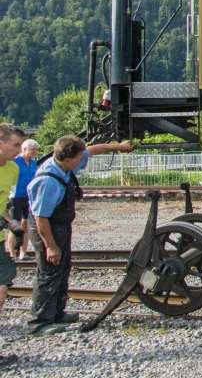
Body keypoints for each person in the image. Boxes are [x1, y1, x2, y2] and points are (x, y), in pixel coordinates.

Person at [27, 135, 134, 335]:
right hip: (47, 228)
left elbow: (94, 149)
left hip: (60, 225)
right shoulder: (48, 180)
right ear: (67, 159)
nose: (82, 161)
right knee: (48, 273)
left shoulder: (65, 165)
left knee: (63, 267)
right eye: (79, 158)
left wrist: (119, 146)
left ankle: (57, 313)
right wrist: (50, 245)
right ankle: (40, 322)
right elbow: (41, 218)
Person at [0, 124, 25, 366]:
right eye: (15, 145)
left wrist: (12, 224)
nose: (19, 150)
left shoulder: (13, 169)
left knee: (1, 292)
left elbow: (6, 203)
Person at [11, 139, 38, 260]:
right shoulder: (16, 161)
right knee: (15, 225)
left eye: (36, 149)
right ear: (24, 149)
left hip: (29, 197)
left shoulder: (33, 163)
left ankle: (23, 252)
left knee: (26, 224)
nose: (35, 152)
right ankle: (12, 253)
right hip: (15, 196)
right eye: (32, 149)